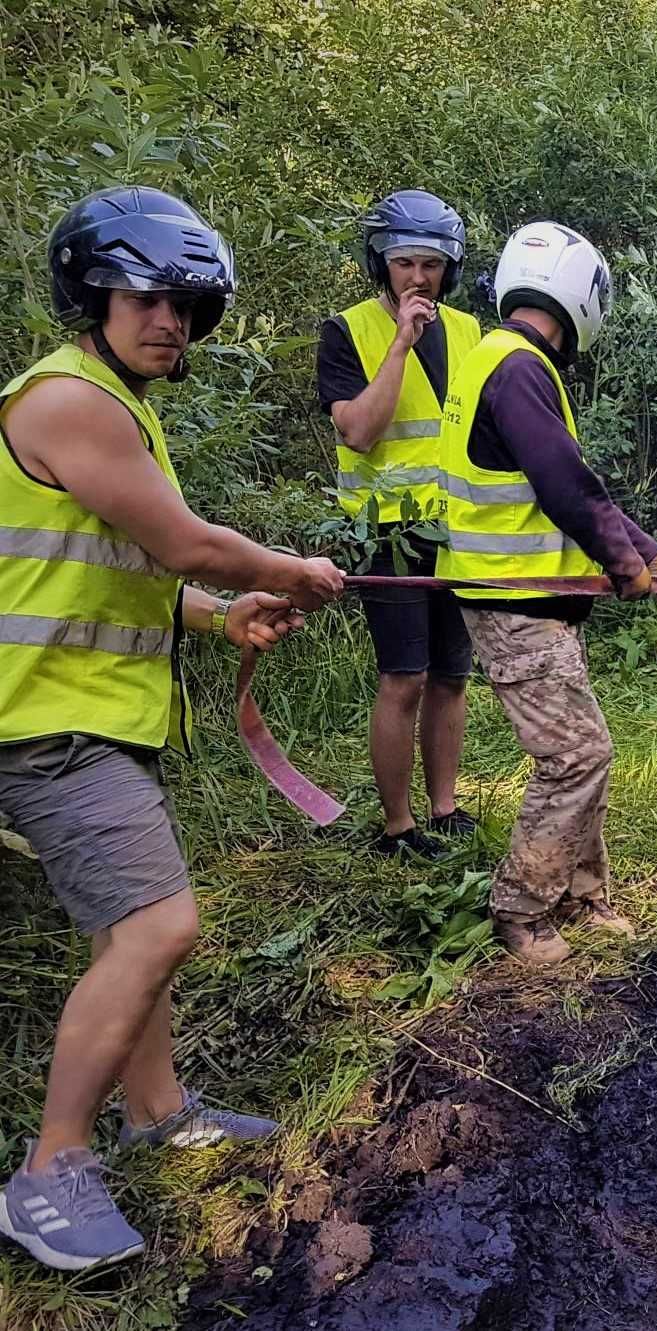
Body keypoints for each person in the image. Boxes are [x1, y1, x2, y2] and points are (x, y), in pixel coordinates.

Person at [0, 187, 346, 1272]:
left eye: (189, 308)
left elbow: (117, 571)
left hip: (87, 715)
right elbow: (189, 541)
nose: (169, 322)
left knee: (126, 925)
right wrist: (283, 572)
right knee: (159, 926)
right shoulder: (70, 401)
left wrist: (217, 611)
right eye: (148, 296)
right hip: (47, 726)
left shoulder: (112, 405)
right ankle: (48, 1171)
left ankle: (158, 1110)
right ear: (92, 292)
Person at [435, 221, 657, 965]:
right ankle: (522, 909)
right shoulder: (518, 370)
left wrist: (650, 552)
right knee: (577, 756)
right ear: (583, 298)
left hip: (530, 598)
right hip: (513, 602)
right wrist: (625, 566)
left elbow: (575, 484)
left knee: (586, 749)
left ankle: (582, 891)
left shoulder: (500, 360)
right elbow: (565, 488)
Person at [317, 190, 481, 856]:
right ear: (381, 264)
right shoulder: (348, 330)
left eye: (433, 265)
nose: (420, 277)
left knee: (451, 676)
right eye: (406, 262)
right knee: (403, 677)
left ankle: (444, 808)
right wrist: (401, 345)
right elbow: (357, 430)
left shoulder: (471, 332)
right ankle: (398, 825)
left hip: (457, 534)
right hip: (386, 534)